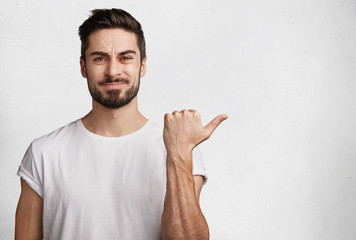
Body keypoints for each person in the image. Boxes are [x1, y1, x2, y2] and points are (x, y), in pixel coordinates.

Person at [15, 8, 227, 240]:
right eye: (100, 58)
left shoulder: (180, 149)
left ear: (142, 66)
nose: (113, 71)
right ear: (83, 67)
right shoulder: (44, 153)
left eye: (125, 57)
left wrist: (178, 156)